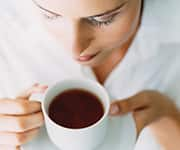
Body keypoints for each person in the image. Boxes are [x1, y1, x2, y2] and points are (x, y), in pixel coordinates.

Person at [0, 0, 180, 150]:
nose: (75, 49)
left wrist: (164, 113)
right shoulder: (7, 34)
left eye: (103, 19)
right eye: (50, 15)